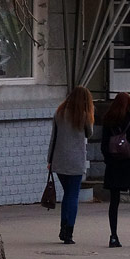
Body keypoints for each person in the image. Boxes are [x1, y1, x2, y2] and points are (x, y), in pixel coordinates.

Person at [48, 86, 94, 245]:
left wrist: (49, 160)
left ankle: (63, 227)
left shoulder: (59, 113)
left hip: (59, 160)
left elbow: (53, 138)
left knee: (67, 194)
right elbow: (90, 133)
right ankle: (69, 231)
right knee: (73, 195)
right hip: (75, 161)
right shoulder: (83, 116)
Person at [101, 92, 130, 248]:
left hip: (114, 166)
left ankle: (113, 236)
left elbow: (104, 145)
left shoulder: (109, 120)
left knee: (114, 202)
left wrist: (109, 160)